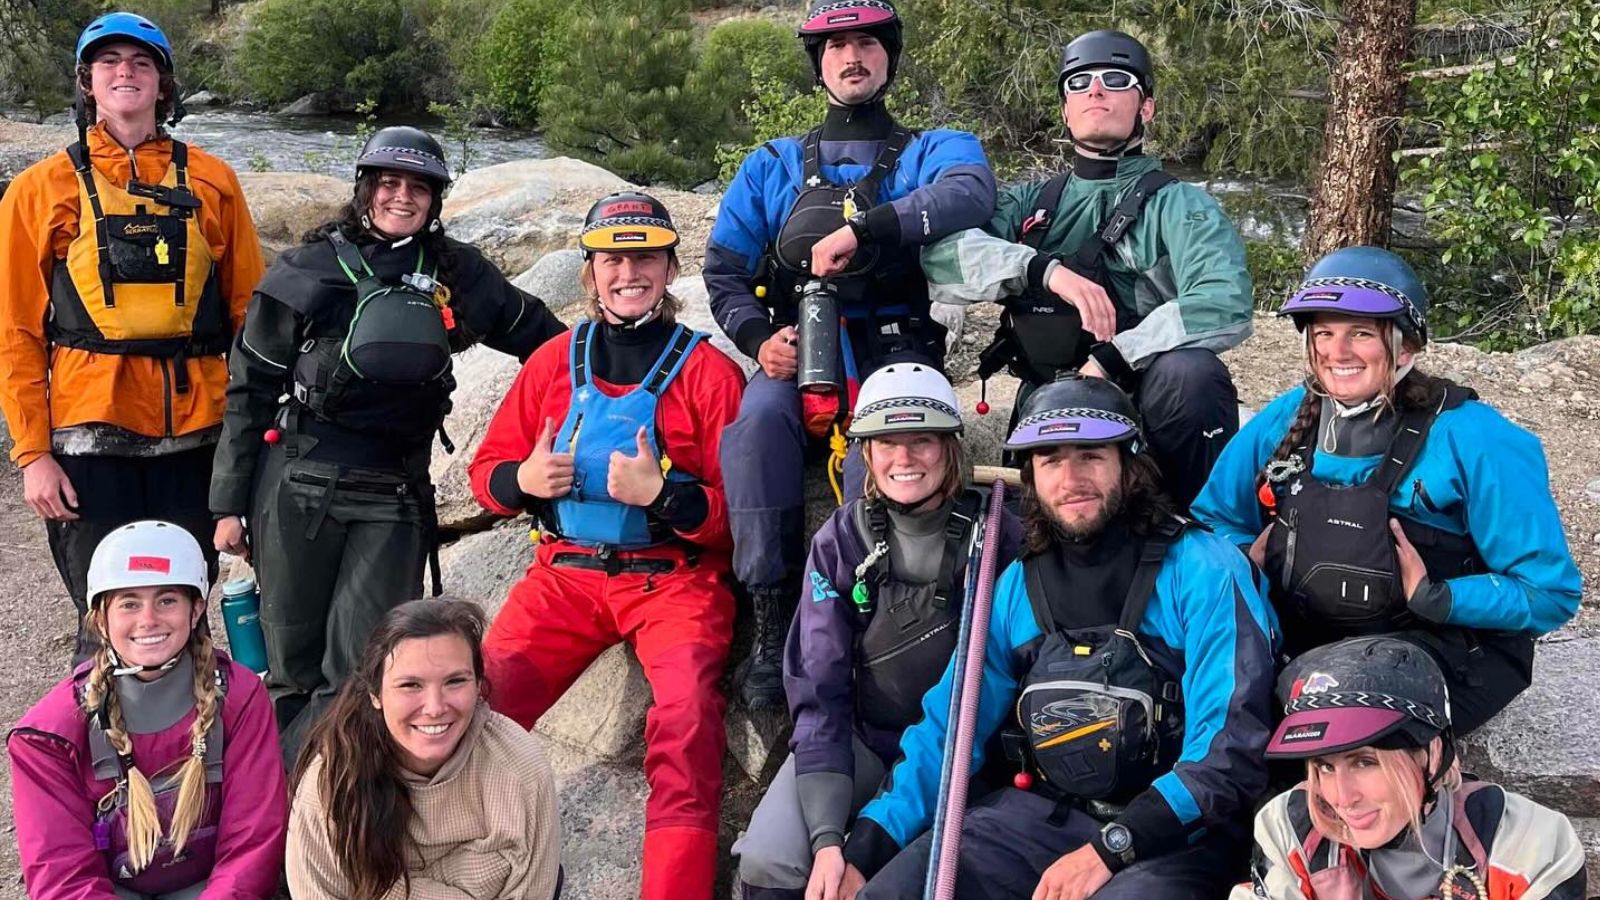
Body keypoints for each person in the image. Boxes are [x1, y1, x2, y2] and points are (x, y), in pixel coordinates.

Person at [838, 375, 1277, 900]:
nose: (1071, 479)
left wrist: (1113, 848)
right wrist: (865, 847)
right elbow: (951, 731)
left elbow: (1230, 748)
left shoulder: (1206, 569)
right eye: (1050, 460)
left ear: (1129, 465)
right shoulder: (1016, 587)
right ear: (1031, 475)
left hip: (1173, 839)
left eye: (1091, 456)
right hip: (1037, 819)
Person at [208, 125, 565, 765]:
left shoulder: (459, 275)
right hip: (296, 487)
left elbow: (544, 340)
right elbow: (249, 388)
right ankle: (283, 834)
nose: (403, 197)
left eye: (418, 187)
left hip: (394, 497)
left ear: (435, 198)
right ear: (366, 189)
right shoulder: (307, 268)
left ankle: (331, 821)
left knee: (360, 671)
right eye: (390, 183)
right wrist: (228, 504)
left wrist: (615, 375)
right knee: (290, 668)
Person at [704, 0, 998, 708]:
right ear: (819, 64)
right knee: (752, 433)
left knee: (901, 453)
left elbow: (971, 193)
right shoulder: (772, 163)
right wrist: (755, 337)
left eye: (867, 42)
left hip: (897, 346)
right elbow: (723, 269)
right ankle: (774, 623)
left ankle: (891, 621)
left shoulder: (935, 149)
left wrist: (867, 228)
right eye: (836, 47)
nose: (852, 56)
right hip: (801, 347)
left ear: (889, 58)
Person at [467, 191, 745, 900]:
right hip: (563, 579)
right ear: (588, 273)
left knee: (686, 726)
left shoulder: (711, 376)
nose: (629, 273)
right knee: (476, 713)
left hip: (675, 583)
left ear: (669, 267)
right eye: (612, 259)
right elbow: (486, 478)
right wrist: (524, 479)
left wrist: (667, 497)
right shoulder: (553, 362)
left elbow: (741, 521)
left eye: (645, 257)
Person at [1191, 246, 1581, 734]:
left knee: (1326, 724)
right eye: (1324, 333)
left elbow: (1550, 594)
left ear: (1406, 348)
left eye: (1360, 333)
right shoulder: (1287, 416)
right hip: (1308, 638)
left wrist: (1440, 597)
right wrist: (1243, 556)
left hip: (1441, 647)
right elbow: (1213, 520)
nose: (1338, 352)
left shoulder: (1476, 437)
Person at [0, 12, 265, 664]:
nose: (126, 72)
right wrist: (33, 453)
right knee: (107, 612)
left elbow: (253, 320)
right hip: (90, 436)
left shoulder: (213, 181)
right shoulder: (40, 191)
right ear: (88, 81)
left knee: (183, 607)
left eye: (142, 62)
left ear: (162, 84)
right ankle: (100, 751)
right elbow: (16, 332)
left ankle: (192, 750)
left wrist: (252, 448)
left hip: (197, 434)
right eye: (110, 61)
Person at [920, 29, 1252, 508]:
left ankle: (1196, 527)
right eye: (1079, 82)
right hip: (1048, 397)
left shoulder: (1181, 206)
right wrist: (1041, 270)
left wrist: (1115, 357)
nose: (1095, 90)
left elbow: (1226, 302)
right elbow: (939, 257)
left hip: (1148, 399)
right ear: (1065, 110)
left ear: (1146, 108)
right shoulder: (1027, 202)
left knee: (1193, 375)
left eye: (1116, 79)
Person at [733, 363, 1023, 900]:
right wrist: (825, 839)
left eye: (922, 441)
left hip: (965, 755)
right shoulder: (843, 540)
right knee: (769, 863)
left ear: (952, 448)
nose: (904, 459)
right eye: (886, 443)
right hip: (860, 741)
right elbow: (819, 687)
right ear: (864, 452)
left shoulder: (1003, 539)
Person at [9, 520, 287, 899]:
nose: (149, 619)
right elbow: (63, 875)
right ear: (100, 620)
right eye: (129, 603)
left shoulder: (240, 698)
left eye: (167, 599)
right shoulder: (48, 737)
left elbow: (252, 843)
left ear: (196, 610)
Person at [1235, 635, 1587, 900]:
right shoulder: (1288, 829)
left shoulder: (1528, 845)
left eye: (1365, 762)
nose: (1341, 797)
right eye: (1325, 767)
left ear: (1432, 753)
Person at [287, 598, 562, 900]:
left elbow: (535, 888)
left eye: (455, 681)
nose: (435, 708)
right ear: (375, 694)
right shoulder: (332, 781)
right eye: (410, 686)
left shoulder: (520, 764)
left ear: (478, 684)